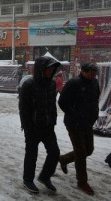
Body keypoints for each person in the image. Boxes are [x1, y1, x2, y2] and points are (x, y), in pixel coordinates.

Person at [19, 56, 61, 194]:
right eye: (48, 69)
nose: (50, 72)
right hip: (33, 128)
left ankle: (44, 176)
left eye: (52, 69)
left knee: (54, 153)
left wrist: (53, 120)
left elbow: (52, 105)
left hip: (48, 127)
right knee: (32, 155)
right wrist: (28, 127)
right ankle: (28, 179)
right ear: (40, 69)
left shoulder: (52, 84)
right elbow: (23, 109)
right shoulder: (29, 85)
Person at [58, 62, 100, 196]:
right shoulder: (73, 83)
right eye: (91, 73)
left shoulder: (94, 83)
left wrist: (94, 115)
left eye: (95, 74)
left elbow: (95, 100)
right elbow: (62, 102)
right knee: (81, 152)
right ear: (83, 71)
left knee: (89, 150)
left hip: (87, 122)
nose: (94, 76)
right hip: (74, 123)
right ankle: (82, 181)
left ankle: (63, 159)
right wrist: (75, 114)